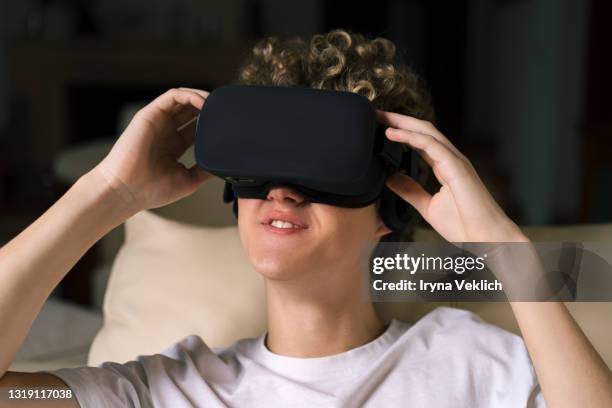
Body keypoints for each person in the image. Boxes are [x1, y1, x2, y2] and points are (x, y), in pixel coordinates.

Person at [0, 29, 610, 408]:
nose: (282, 193)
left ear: (389, 207)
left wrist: (501, 245)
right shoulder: (165, 390)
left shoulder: (478, 364)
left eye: (320, 170)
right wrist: (106, 192)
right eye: (262, 170)